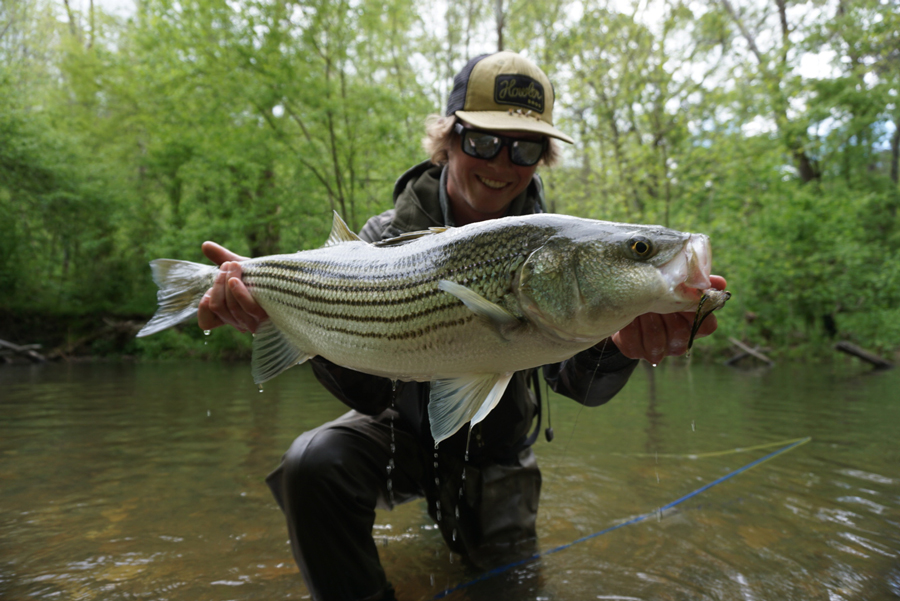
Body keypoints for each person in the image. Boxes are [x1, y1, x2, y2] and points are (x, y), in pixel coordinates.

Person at [198, 52, 726, 601]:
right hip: (395, 430)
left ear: (541, 159)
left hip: (497, 450)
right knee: (312, 463)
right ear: (448, 139)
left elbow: (578, 386)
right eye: (481, 141)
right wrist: (287, 317)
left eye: (523, 148)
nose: (500, 162)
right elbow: (369, 390)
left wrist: (619, 346)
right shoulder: (381, 238)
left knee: (512, 590)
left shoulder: (569, 246)